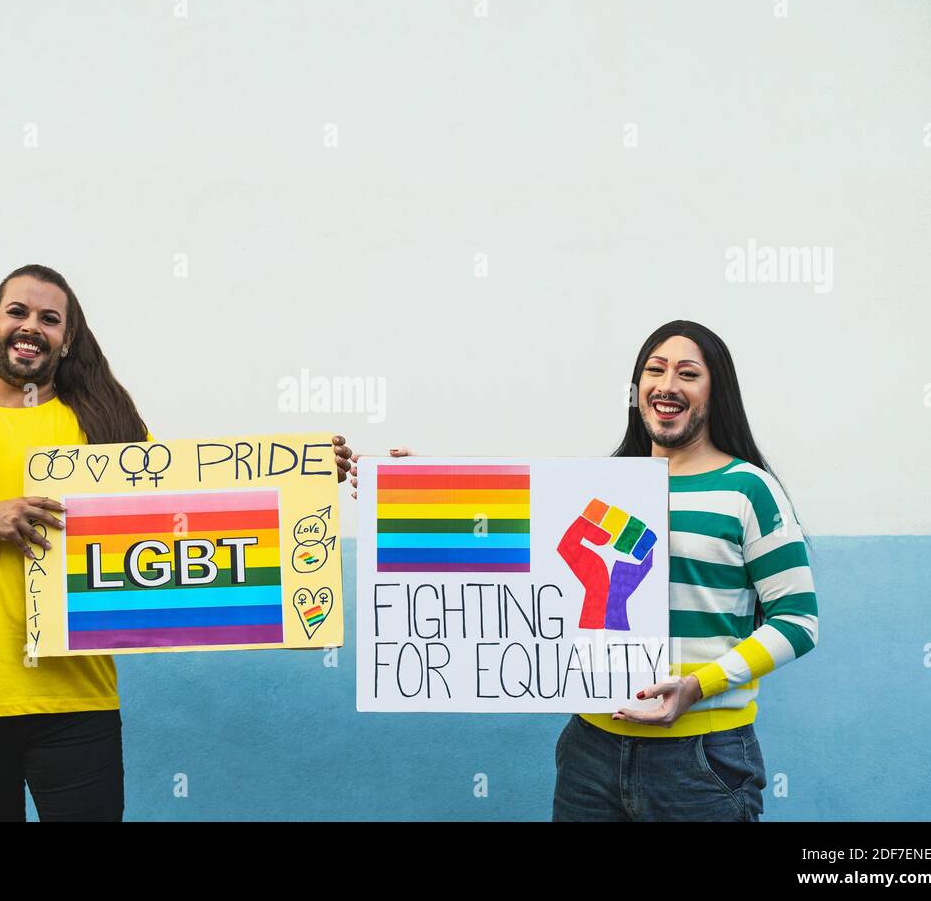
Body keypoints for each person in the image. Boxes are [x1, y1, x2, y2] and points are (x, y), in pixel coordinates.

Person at [0, 263, 352, 821]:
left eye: (50, 319)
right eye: (17, 312)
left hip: (76, 699)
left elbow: (186, 506)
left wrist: (304, 475)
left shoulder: (103, 425)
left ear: (67, 339)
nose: (31, 327)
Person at [350, 320, 817, 821]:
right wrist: (415, 486)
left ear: (716, 389)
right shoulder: (606, 488)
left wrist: (697, 685)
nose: (667, 385)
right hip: (589, 755)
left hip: (701, 762)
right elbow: (512, 530)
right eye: (654, 370)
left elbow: (797, 622)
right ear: (637, 390)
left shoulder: (748, 490)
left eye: (688, 373)